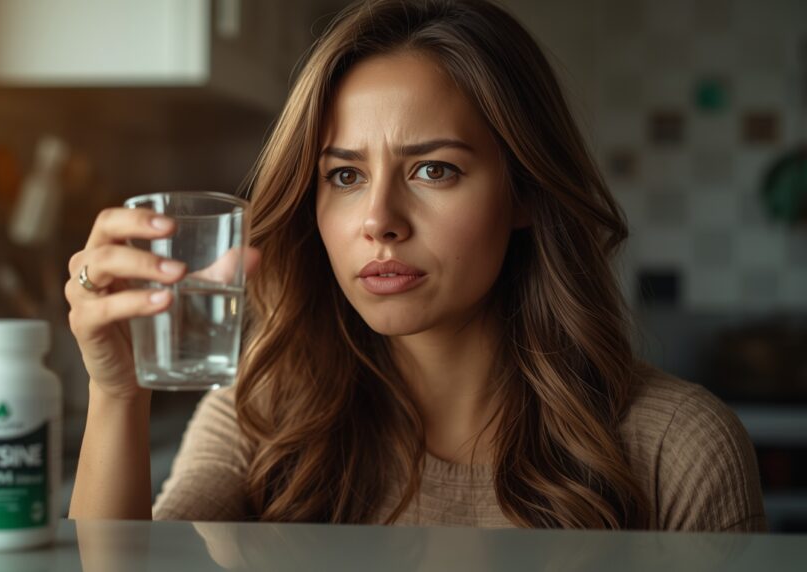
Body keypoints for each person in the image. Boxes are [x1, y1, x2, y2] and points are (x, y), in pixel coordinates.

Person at [65, 0, 766, 531]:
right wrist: (119, 395)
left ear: (524, 190)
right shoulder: (265, 412)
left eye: (434, 169)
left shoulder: (679, 448)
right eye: (343, 177)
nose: (378, 221)